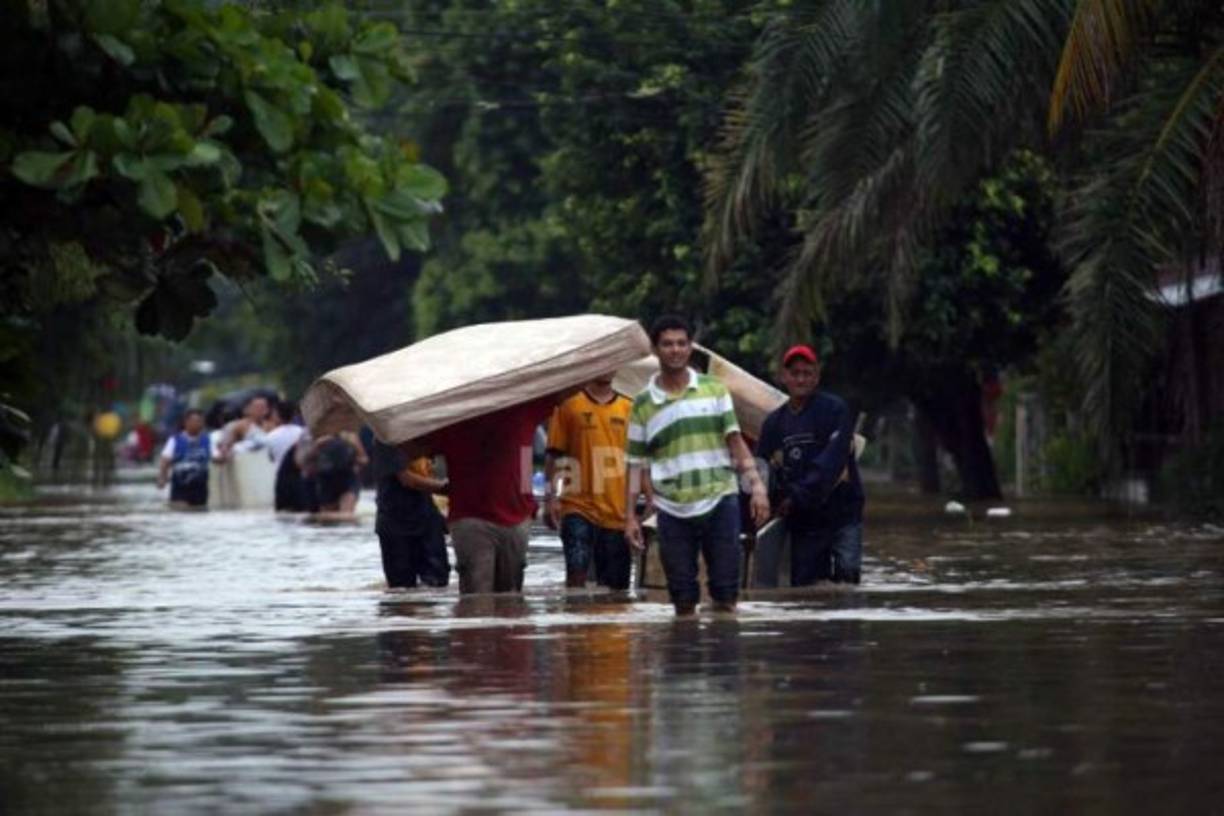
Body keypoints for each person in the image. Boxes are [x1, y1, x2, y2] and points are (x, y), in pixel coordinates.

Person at [624, 316, 770, 615]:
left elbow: (735, 441)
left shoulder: (714, 389)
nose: (675, 350)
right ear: (655, 350)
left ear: (690, 347)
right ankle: (686, 644)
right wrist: (629, 517)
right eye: (667, 344)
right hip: (671, 508)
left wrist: (757, 487)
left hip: (720, 499)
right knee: (682, 600)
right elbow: (635, 465)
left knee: (726, 595)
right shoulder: (642, 403)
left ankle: (722, 643)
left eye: (681, 343)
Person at [413, 393, 567, 595]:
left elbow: (564, 391)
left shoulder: (523, 407)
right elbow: (411, 447)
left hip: (513, 516)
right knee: (482, 600)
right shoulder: (455, 418)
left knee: (508, 600)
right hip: (473, 518)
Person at [756, 344, 865, 585]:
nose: (801, 379)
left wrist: (794, 496)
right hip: (804, 519)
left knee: (848, 576)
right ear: (783, 376)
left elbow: (831, 463)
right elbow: (761, 467)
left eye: (807, 373)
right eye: (795, 373)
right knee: (808, 584)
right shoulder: (774, 423)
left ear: (816, 377)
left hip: (843, 511)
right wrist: (766, 500)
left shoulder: (835, 410)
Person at [544, 375, 634, 589]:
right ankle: (574, 610)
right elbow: (554, 455)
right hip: (577, 507)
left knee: (616, 590)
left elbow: (638, 462)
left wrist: (644, 503)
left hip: (617, 512)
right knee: (576, 577)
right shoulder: (568, 404)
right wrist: (550, 498)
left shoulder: (629, 408)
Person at [372, 440, 450, 588]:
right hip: (396, 522)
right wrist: (447, 488)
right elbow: (406, 479)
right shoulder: (386, 438)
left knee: (437, 583)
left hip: (427, 518)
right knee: (402, 587)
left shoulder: (424, 437)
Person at [157, 409, 214, 508]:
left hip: (200, 487)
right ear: (186, 422)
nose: (198, 424)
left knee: (199, 510)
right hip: (180, 485)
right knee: (181, 509)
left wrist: (224, 457)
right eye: (195, 421)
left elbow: (216, 457)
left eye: (200, 421)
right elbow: (165, 460)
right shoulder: (175, 440)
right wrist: (162, 477)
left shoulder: (208, 440)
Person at [306, 430, 368, 514]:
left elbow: (364, 459)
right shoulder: (317, 437)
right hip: (326, 481)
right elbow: (305, 463)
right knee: (328, 515)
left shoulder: (351, 437)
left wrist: (354, 461)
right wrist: (316, 446)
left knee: (346, 514)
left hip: (347, 480)